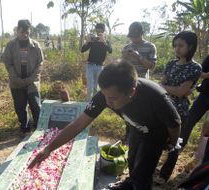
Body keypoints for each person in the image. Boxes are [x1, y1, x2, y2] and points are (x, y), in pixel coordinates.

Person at [29, 61, 181, 190]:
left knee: (142, 173)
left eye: (113, 99)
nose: (108, 103)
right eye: (105, 96)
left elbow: (175, 124)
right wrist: (49, 148)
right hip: (136, 128)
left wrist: (171, 143)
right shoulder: (106, 94)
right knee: (133, 163)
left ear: (131, 92)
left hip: (156, 133)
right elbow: (78, 124)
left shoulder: (155, 97)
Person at [157, 31, 202, 184]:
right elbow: (165, 87)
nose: (177, 49)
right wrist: (173, 89)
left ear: (190, 47)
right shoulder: (170, 63)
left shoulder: (195, 68)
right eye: (175, 45)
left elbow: (181, 92)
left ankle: (164, 175)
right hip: (162, 105)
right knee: (157, 138)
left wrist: (166, 87)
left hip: (179, 109)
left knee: (174, 143)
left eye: (181, 45)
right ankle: (151, 167)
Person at [3, 19, 44, 134]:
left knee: (36, 106)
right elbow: (8, 63)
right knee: (20, 108)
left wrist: (30, 79)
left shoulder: (36, 45)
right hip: (16, 83)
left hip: (32, 82)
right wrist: (16, 79)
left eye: (27, 32)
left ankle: (38, 128)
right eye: (22, 32)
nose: (25, 35)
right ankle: (25, 128)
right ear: (17, 30)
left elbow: (40, 63)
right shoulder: (10, 45)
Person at [181, 55, 209, 164]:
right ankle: (179, 148)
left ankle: (202, 159)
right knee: (189, 120)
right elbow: (200, 73)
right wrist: (207, 75)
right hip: (205, 95)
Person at [81, 23, 112, 101]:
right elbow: (82, 50)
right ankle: (87, 104)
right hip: (90, 65)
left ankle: (94, 104)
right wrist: (87, 42)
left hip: (100, 66)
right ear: (96, 30)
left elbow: (110, 50)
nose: (99, 32)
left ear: (104, 31)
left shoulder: (106, 41)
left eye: (101, 30)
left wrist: (104, 42)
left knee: (96, 88)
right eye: (97, 30)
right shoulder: (93, 40)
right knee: (90, 87)